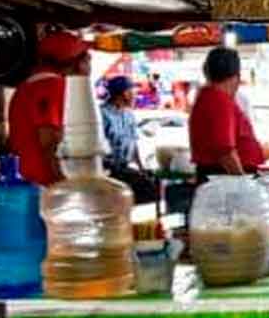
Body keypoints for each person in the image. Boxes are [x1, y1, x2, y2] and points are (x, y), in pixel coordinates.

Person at [8, 30, 91, 186]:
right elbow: (50, 142)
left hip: (26, 183)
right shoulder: (53, 86)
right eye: (87, 58)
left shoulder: (25, 87)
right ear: (77, 63)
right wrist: (66, 186)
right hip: (45, 186)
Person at [189, 47, 265, 178]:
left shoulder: (207, 96)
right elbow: (224, 150)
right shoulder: (219, 100)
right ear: (236, 76)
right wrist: (243, 182)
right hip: (223, 177)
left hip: (217, 174)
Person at [101, 75, 157, 203]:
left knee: (151, 180)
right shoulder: (103, 115)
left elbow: (133, 144)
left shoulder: (129, 115)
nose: (135, 96)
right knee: (145, 187)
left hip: (125, 167)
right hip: (109, 169)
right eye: (133, 92)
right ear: (124, 94)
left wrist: (141, 167)